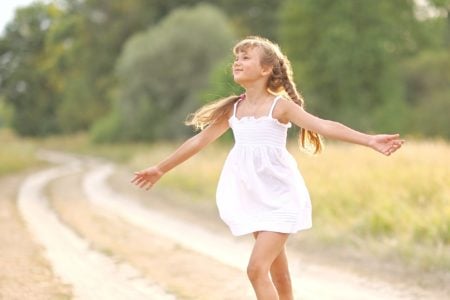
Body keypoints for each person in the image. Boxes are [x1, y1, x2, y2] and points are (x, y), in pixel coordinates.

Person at [131, 36, 404, 300]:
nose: (237, 62)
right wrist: (161, 168)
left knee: (255, 269)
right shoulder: (234, 109)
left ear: (266, 69)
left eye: (245, 57)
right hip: (252, 195)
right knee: (279, 275)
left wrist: (369, 139)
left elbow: (323, 125)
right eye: (236, 57)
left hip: (281, 196)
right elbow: (199, 140)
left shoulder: (280, 106)